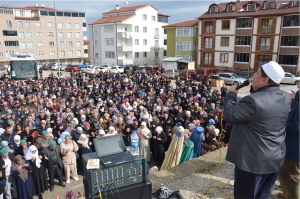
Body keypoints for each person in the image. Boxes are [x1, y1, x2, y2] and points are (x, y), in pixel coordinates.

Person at [223, 61, 291, 199]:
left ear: (265, 80)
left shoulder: (253, 101)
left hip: (253, 163)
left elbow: (230, 115)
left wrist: (230, 95)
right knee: (262, 195)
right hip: (275, 158)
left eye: (257, 73)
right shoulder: (285, 97)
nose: (254, 75)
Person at [278, 101, 299, 199]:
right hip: (292, 148)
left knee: (293, 178)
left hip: (294, 149)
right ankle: (287, 194)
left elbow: (296, 128)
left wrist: (281, 122)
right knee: (284, 174)